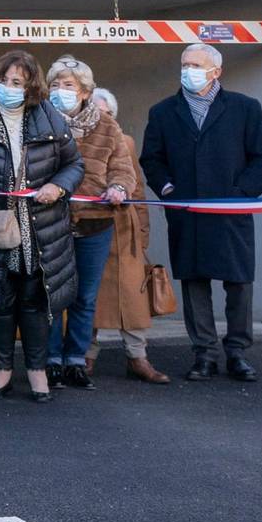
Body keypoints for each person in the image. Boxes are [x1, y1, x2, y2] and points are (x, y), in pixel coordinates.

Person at [141, 43, 262, 383]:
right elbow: (152, 159)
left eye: (196, 64)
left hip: (231, 212)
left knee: (239, 283)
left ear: (216, 71)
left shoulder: (244, 108)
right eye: (185, 63)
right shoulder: (163, 112)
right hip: (188, 213)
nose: (188, 69)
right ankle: (204, 353)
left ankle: (237, 352)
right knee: (194, 283)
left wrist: (241, 193)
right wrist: (169, 189)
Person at [0, 49, 84, 405]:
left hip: (39, 225)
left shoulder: (51, 119)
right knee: (0, 298)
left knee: (35, 298)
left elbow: (73, 164)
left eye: (18, 83)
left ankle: (38, 372)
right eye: (4, 81)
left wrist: (58, 186)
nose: (9, 88)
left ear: (31, 88)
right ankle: (1, 371)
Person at [42, 55, 137, 391]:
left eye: (68, 85)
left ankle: (75, 360)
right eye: (54, 84)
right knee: (51, 294)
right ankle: (50, 359)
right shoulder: (40, 122)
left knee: (85, 296)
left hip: (96, 223)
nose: (60, 91)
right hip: (51, 222)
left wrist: (118, 187)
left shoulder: (108, 127)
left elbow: (123, 169)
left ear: (84, 91)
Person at [86, 88, 169, 384]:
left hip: (125, 233)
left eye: (105, 113)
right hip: (88, 227)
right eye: (94, 112)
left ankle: (138, 357)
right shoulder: (75, 141)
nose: (100, 118)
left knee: (133, 299)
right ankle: (85, 357)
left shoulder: (126, 143)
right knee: (89, 297)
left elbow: (137, 193)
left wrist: (142, 235)